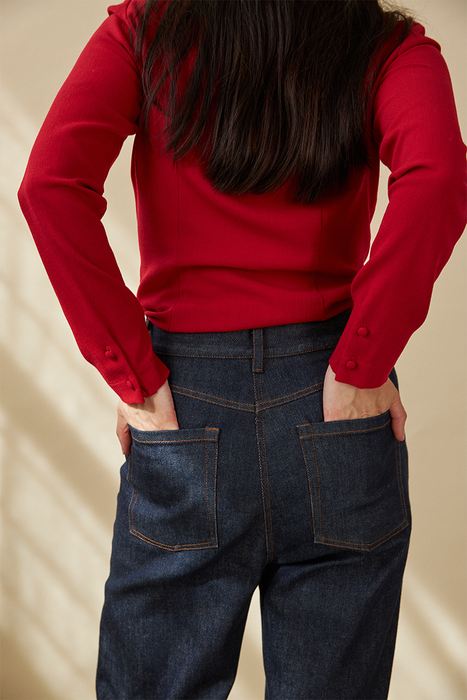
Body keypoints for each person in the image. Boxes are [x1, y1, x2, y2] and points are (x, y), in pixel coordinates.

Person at [18, 0, 466, 698]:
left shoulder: (145, 31)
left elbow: (49, 184)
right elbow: (438, 176)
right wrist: (362, 361)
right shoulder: (389, 45)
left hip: (187, 402)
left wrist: (134, 375)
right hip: (332, 397)